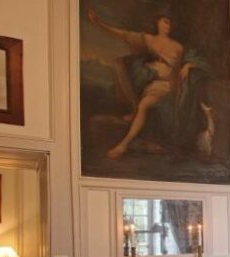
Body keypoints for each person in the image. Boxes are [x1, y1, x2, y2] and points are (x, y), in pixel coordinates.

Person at [87, 8, 206, 158]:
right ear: (157, 23)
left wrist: (188, 66)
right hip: (152, 84)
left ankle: (123, 145)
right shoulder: (149, 40)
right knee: (125, 67)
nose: (168, 26)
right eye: (165, 22)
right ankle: (135, 113)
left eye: (170, 23)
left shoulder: (178, 47)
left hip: (168, 85)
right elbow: (124, 34)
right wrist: (99, 23)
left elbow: (196, 60)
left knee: (144, 105)